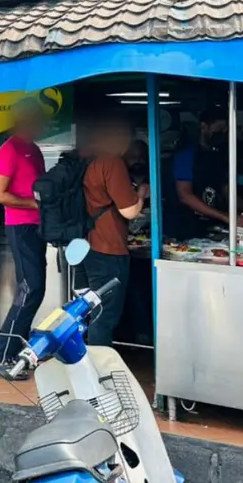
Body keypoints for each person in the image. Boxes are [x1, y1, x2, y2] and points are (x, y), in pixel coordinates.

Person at [0, 98, 47, 379]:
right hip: (20, 226)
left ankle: (16, 352)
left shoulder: (34, 150)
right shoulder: (10, 149)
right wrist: (34, 205)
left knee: (37, 289)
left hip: (37, 227)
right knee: (29, 288)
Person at [78, 117, 149, 346]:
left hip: (87, 244)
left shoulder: (86, 159)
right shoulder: (111, 163)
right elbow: (129, 211)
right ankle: (97, 369)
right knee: (105, 314)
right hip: (108, 248)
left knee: (95, 309)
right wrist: (141, 194)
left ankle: (90, 362)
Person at [169, 109, 243, 239]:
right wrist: (227, 217)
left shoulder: (220, 156)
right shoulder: (186, 157)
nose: (223, 133)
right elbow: (185, 195)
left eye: (225, 129)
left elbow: (226, 190)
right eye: (219, 128)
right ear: (203, 127)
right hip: (186, 227)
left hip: (214, 227)